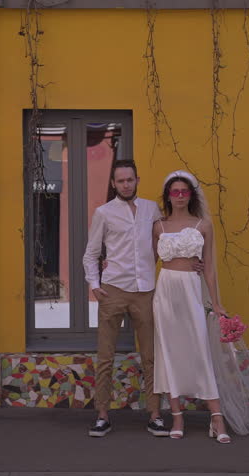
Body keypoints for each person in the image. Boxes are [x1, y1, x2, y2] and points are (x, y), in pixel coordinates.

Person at [152, 170, 249, 444]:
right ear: (168, 196)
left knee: (201, 352)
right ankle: (177, 415)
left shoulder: (203, 225)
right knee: (169, 354)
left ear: (191, 195)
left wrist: (216, 303)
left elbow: (210, 269)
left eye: (183, 191)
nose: (179, 196)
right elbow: (145, 262)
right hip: (165, 292)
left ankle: (217, 417)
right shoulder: (158, 226)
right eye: (174, 192)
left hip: (191, 290)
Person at [82, 159, 170, 438]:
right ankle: (102, 415)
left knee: (151, 356)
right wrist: (95, 285)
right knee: (106, 356)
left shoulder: (151, 209)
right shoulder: (104, 213)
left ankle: (155, 415)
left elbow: (160, 246)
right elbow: (91, 253)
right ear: (113, 183)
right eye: (120, 181)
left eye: (130, 179)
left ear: (137, 179)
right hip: (113, 290)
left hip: (145, 291)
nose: (126, 184)